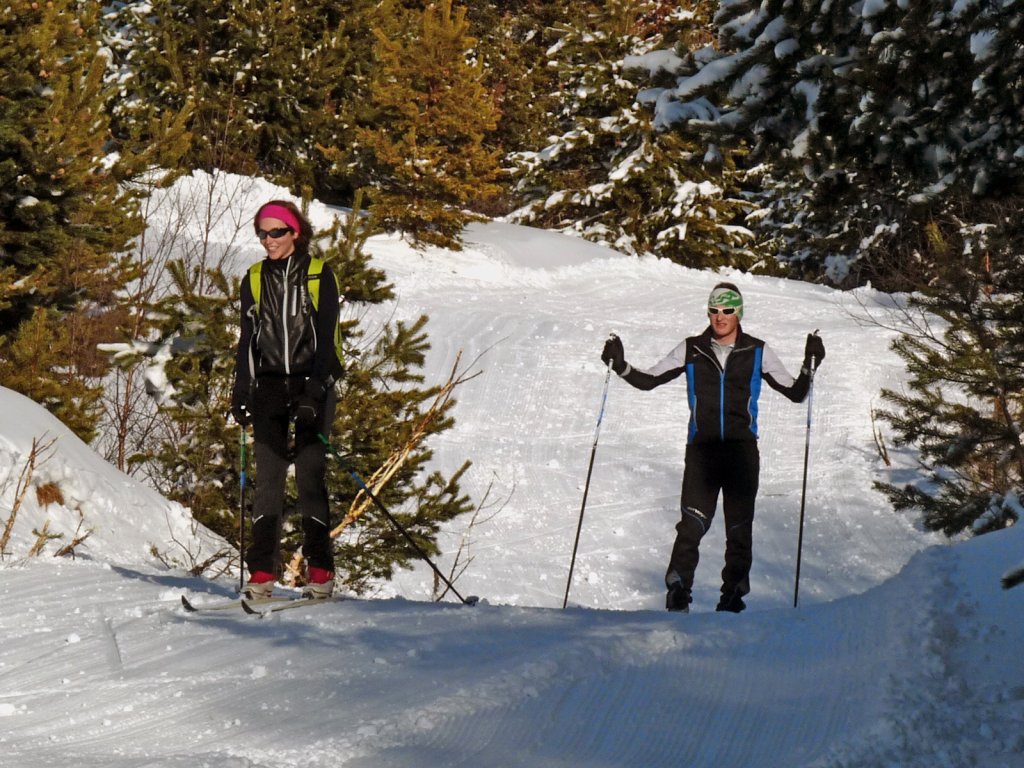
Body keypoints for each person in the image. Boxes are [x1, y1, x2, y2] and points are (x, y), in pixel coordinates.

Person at [601, 282, 825, 613]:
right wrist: (620, 365)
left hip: (741, 452)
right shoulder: (692, 348)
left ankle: (733, 594)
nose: (720, 317)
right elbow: (650, 380)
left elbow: (794, 392)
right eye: (715, 310)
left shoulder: (757, 351)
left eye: (728, 310)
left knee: (738, 527)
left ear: (739, 313)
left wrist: (811, 363)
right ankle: (678, 589)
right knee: (691, 523)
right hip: (702, 451)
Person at [230, 200, 344, 600]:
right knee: (269, 481)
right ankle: (261, 576)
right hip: (270, 386)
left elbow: (328, 339)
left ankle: (320, 574)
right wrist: (241, 389)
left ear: (296, 232)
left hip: (313, 384)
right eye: (262, 233)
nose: (268, 240)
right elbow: (248, 339)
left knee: (311, 476)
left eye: (276, 232)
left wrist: (315, 390)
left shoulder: (318, 275)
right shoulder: (254, 278)